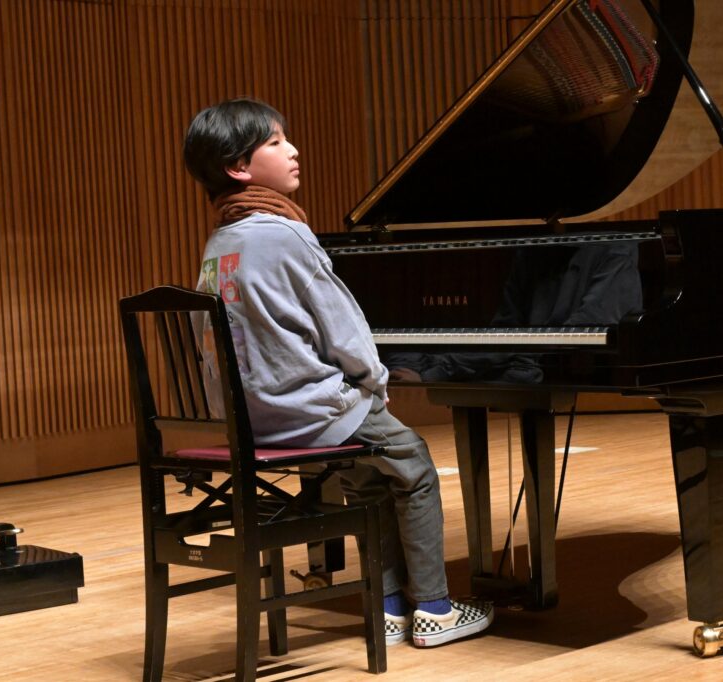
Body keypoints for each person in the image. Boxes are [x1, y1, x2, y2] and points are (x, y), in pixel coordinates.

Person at [183, 97, 493, 648]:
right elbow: (343, 327)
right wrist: (373, 382)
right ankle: (435, 610)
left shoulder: (219, 243)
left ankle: (390, 609)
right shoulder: (285, 234)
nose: (293, 150)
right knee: (414, 465)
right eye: (275, 142)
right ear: (238, 167)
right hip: (308, 411)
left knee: (370, 477)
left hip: (252, 419)